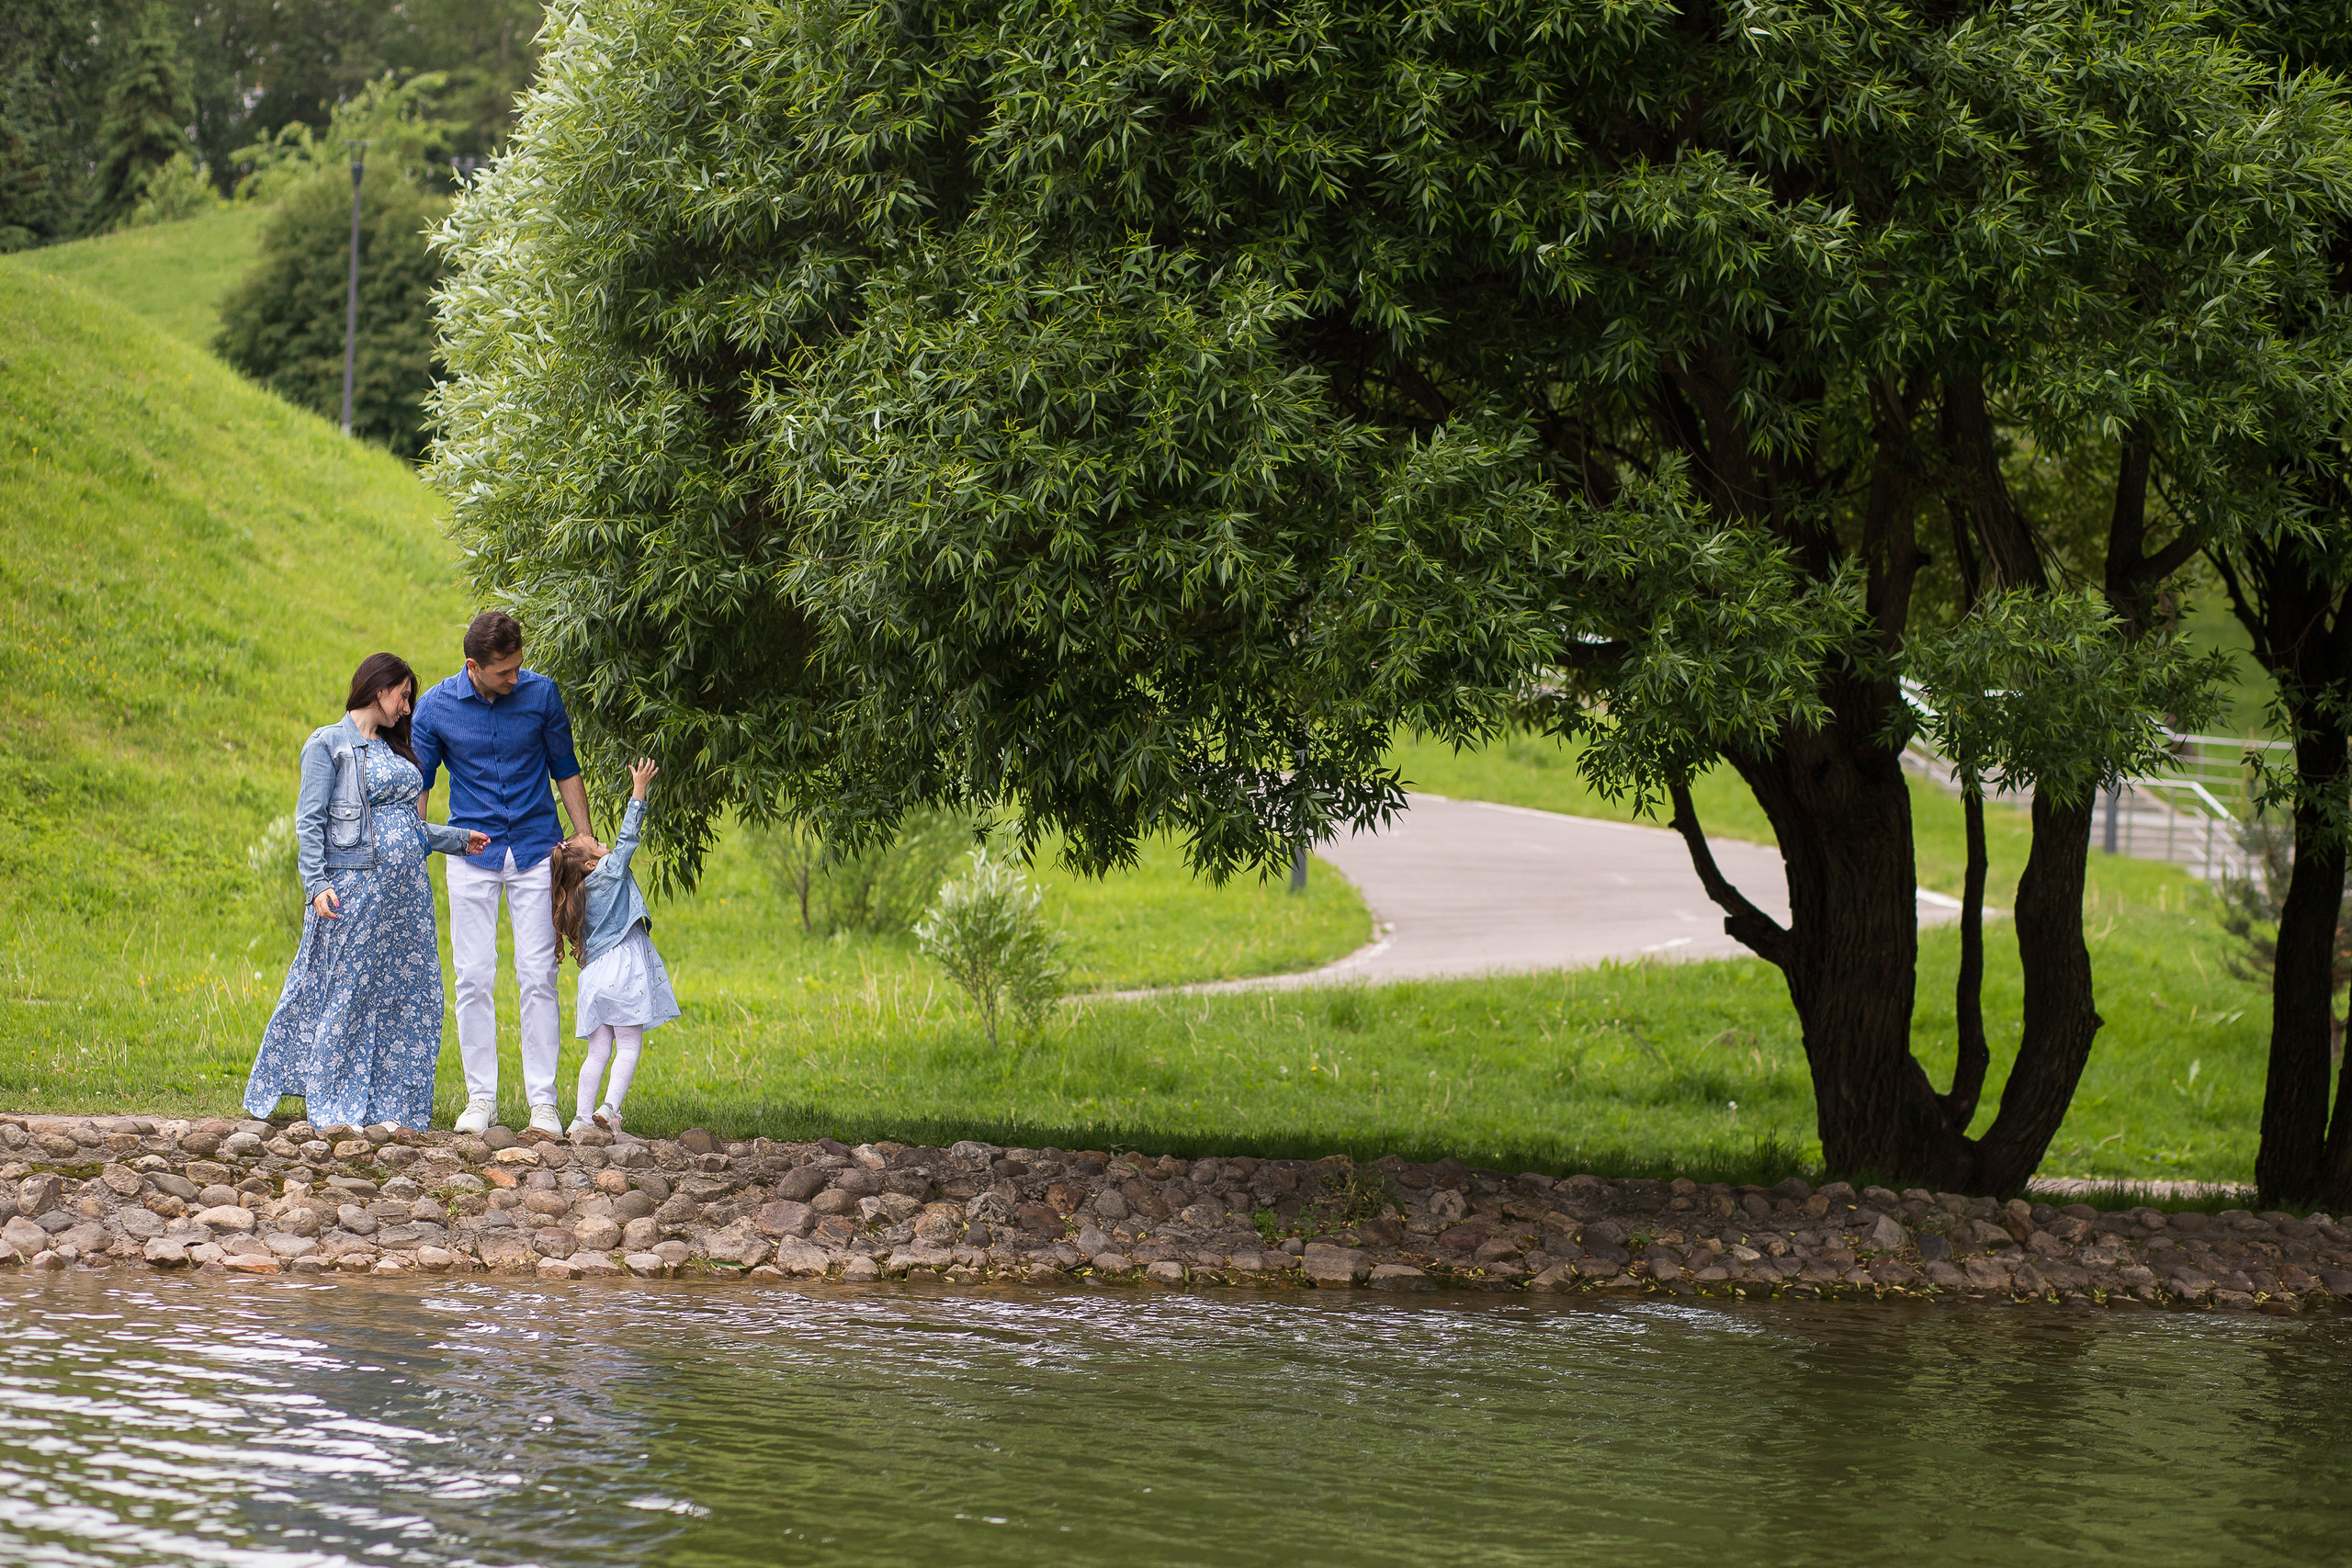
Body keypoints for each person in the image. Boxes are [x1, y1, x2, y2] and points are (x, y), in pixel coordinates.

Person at [244, 655, 491, 1130]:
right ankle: (335, 1103)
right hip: (356, 891)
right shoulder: (329, 744)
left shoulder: (395, 748)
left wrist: (457, 840)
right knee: (349, 994)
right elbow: (310, 821)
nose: (407, 707)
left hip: (407, 898)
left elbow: (406, 826)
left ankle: (393, 1107)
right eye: (403, 695)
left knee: (411, 994)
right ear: (378, 690)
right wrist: (316, 885)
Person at [413, 611, 592, 1140]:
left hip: (539, 850)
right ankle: (480, 1099)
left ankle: (542, 1104)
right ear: (474, 666)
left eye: (519, 667)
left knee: (539, 975)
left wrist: (583, 842)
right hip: (471, 853)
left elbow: (566, 769)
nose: (515, 678)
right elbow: (418, 789)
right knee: (473, 976)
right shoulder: (436, 708)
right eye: (504, 672)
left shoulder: (542, 695)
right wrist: (412, 848)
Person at [549, 757, 680, 1136]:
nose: (602, 842)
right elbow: (627, 840)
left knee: (597, 1051)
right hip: (624, 969)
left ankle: (579, 1118)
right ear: (591, 864)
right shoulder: (607, 872)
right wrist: (639, 789)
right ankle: (610, 1109)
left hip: (595, 975)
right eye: (595, 843)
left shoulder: (576, 894)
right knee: (629, 1045)